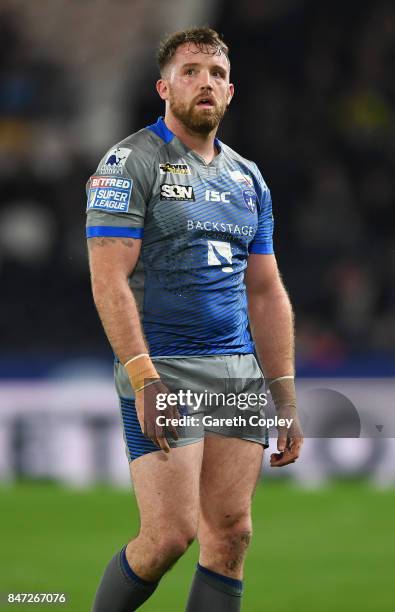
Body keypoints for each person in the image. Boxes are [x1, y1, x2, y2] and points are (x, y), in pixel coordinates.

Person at [86, 26, 303, 612]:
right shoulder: (128, 163)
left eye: (217, 75)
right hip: (167, 368)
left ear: (230, 93)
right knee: (169, 536)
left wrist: (283, 393)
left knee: (231, 535)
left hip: (236, 373)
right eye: (191, 72)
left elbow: (265, 291)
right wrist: (144, 378)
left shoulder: (248, 179)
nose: (205, 82)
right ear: (164, 87)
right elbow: (108, 278)